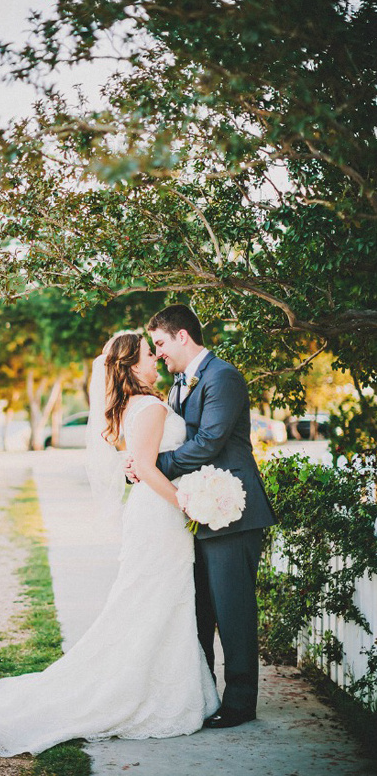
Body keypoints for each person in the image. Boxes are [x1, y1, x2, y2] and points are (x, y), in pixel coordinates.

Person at [0, 331, 219, 758]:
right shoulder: (147, 406)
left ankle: (159, 684)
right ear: (131, 365)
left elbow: (135, 461)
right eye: (149, 354)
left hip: (151, 515)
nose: (155, 359)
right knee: (154, 600)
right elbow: (147, 469)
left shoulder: (135, 405)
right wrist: (185, 502)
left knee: (155, 601)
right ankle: (143, 693)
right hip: (159, 515)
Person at [127, 304, 278, 729]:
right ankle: (204, 695)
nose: (157, 354)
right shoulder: (178, 383)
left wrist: (153, 463)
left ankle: (240, 703)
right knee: (199, 612)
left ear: (182, 337)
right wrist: (141, 464)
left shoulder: (222, 377)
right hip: (196, 512)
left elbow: (210, 441)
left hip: (233, 514)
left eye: (159, 343)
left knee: (233, 612)